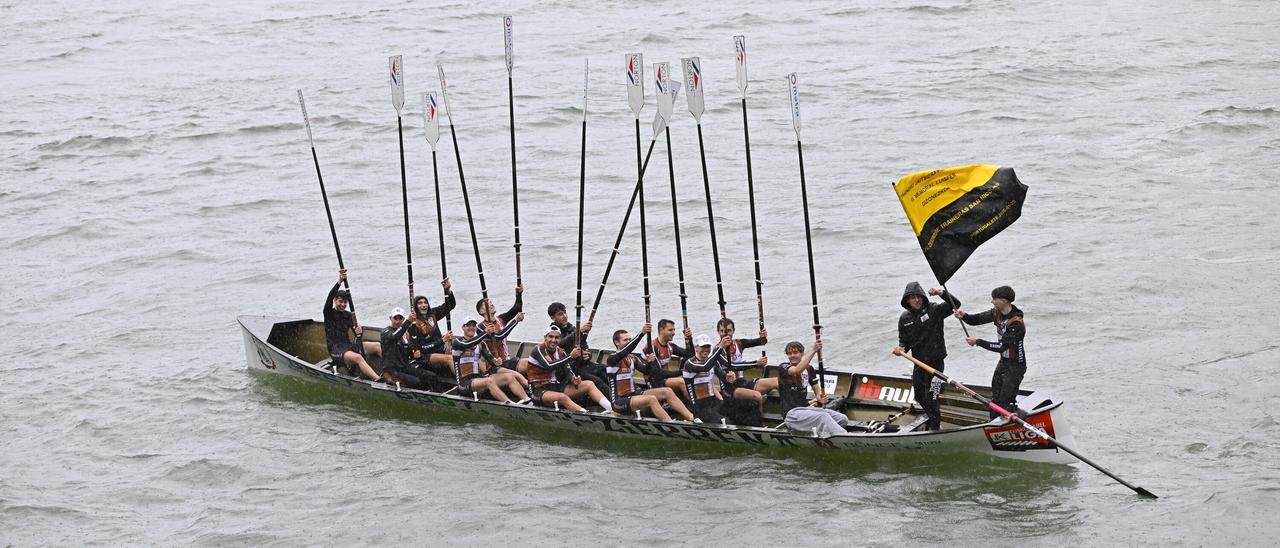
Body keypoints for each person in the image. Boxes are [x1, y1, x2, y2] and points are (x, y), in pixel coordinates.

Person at [891, 282, 961, 431]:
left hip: (936, 363)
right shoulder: (904, 318)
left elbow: (956, 304)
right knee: (919, 396)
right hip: (919, 363)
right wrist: (901, 349)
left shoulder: (935, 310)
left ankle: (935, 429)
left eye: (918, 297)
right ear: (907, 300)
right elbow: (904, 342)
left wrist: (941, 293)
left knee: (932, 396)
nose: (916, 300)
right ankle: (933, 418)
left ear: (923, 297)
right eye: (912, 298)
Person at [954, 285, 1027, 419]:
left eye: (994, 299)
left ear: (1004, 301)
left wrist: (978, 341)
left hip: (1016, 366)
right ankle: (993, 423)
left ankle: (1017, 417)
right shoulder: (996, 313)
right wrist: (963, 316)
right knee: (995, 399)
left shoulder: (1016, 323)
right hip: (1003, 363)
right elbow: (976, 320)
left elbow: (1001, 347)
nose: (992, 301)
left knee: (1006, 401)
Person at [607, 324, 697, 422]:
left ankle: (692, 417)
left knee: (667, 391)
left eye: (629, 339)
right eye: (625, 340)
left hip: (634, 393)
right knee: (651, 399)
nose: (628, 342)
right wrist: (642, 333)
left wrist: (650, 362)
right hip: (619, 401)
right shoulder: (612, 359)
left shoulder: (633, 358)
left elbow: (648, 371)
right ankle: (671, 424)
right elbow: (626, 350)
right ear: (616, 342)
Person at [527, 326, 611, 413]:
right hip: (537, 390)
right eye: (550, 337)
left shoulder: (561, 352)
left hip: (555, 386)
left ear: (560, 339)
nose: (553, 340)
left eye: (556, 337)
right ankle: (586, 415)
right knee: (562, 397)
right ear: (545, 338)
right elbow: (549, 365)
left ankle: (611, 409)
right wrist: (570, 356)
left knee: (589, 384)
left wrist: (573, 379)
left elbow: (568, 370)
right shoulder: (538, 350)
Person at [451, 317, 529, 403]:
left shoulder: (481, 344)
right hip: (464, 384)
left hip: (479, 379)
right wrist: (485, 332)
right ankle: (510, 404)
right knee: (489, 381)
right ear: (463, 327)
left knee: (509, 376)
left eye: (473, 325)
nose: (471, 328)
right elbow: (468, 344)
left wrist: (496, 362)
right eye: (468, 325)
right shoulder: (458, 342)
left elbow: (491, 360)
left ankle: (527, 399)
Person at [778, 339, 846, 435]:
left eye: (795, 352)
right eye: (789, 353)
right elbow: (796, 371)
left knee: (842, 419)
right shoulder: (783, 367)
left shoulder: (809, 369)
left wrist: (821, 398)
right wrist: (814, 350)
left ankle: (826, 437)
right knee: (823, 416)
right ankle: (845, 437)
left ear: (802, 353)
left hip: (806, 409)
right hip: (791, 414)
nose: (792, 355)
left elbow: (817, 392)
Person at [322, 270, 381, 380]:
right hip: (336, 350)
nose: (343, 304)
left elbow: (357, 336)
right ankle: (378, 380)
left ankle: (391, 371)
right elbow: (330, 296)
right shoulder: (328, 313)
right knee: (358, 357)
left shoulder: (349, 315)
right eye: (340, 301)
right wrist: (339, 281)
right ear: (335, 301)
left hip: (348, 345)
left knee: (377, 345)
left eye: (345, 302)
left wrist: (359, 332)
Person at [713, 318, 775, 407]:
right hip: (728, 387)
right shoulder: (717, 350)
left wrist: (763, 336)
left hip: (742, 382)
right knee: (757, 396)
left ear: (733, 331)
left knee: (776, 382)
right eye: (722, 331)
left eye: (729, 331)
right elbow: (733, 366)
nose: (725, 334)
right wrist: (756, 363)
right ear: (718, 332)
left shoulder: (739, 343)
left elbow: (761, 342)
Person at [380, 307, 442, 390]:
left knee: (431, 376)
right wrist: (408, 321)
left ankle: (437, 394)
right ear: (390, 318)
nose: (398, 321)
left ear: (403, 319)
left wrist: (415, 354)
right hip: (391, 371)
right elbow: (394, 336)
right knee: (416, 382)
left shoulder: (406, 334)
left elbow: (410, 351)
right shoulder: (385, 332)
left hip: (404, 368)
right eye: (395, 318)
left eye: (400, 318)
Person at [406, 278, 456, 374]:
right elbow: (422, 347)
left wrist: (448, 290)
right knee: (450, 358)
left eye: (425, 302)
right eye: (420, 303)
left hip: (440, 348)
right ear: (415, 307)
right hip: (426, 355)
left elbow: (450, 305)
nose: (423, 305)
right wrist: (442, 340)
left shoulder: (433, 314)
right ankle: (462, 382)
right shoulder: (413, 325)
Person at [680, 334, 729, 423]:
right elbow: (705, 367)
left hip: (713, 402)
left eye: (708, 346)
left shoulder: (712, 363)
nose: (706, 349)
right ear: (696, 348)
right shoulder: (689, 364)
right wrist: (720, 348)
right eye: (703, 346)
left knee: (739, 408)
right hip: (699, 408)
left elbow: (724, 378)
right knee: (725, 421)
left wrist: (729, 378)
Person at [476, 285, 525, 371]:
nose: (491, 304)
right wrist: (515, 321)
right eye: (488, 304)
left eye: (491, 302)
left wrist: (518, 294)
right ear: (481, 311)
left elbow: (517, 308)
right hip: (495, 366)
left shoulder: (501, 319)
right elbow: (499, 336)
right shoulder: (481, 328)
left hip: (507, 362)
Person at [642, 319, 693, 399]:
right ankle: (694, 404)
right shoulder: (652, 347)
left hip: (666, 379)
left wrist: (689, 339)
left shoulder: (670, 346)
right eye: (670, 330)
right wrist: (682, 372)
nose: (673, 333)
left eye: (674, 330)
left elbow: (691, 355)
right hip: (654, 381)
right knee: (681, 381)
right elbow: (658, 373)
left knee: (690, 374)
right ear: (661, 330)